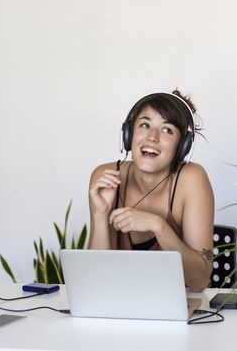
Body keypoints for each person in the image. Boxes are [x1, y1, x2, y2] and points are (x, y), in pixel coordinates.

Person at [88, 90, 214, 292]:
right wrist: (101, 214)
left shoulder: (192, 179)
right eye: (145, 125)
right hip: (119, 304)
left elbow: (199, 281)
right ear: (129, 134)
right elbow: (96, 279)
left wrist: (159, 225)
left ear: (182, 146)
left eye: (167, 130)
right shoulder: (106, 176)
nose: (152, 137)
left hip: (176, 307)